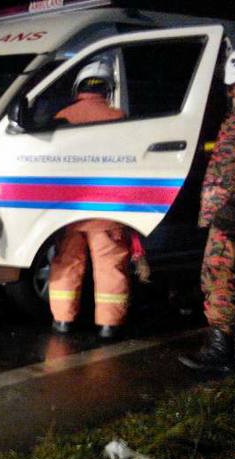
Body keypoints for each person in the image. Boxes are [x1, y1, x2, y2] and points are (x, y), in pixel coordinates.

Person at [48, 60, 143, 339]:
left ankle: (63, 321)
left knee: (66, 265)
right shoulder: (119, 117)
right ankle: (108, 326)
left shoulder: (63, 116)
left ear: (79, 87)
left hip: (68, 210)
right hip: (107, 208)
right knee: (111, 267)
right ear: (107, 87)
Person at [180, 46, 235, 371]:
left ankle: (220, 348)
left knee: (217, 274)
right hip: (231, 212)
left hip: (232, 214)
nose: (232, 91)